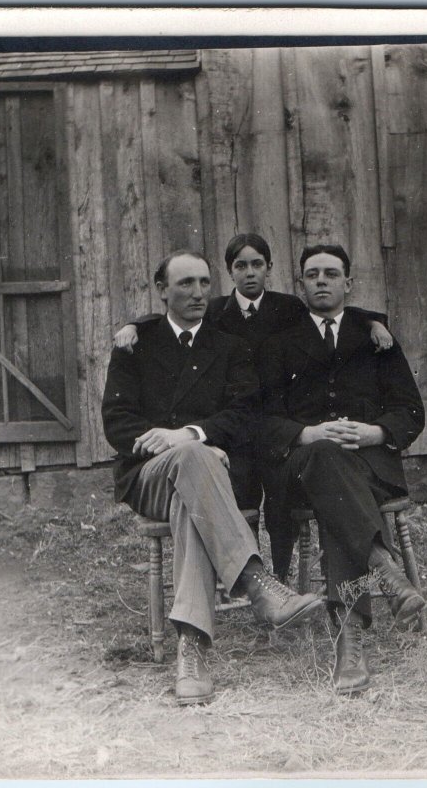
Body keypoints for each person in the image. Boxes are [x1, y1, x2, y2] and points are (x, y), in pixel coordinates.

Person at [102, 249, 323, 706]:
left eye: (204, 282)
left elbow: (244, 413)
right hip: (149, 475)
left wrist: (190, 436)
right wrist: (171, 444)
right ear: (162, 290)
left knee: (194, 472)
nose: (198, 292)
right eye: (185, 284)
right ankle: (256, 582)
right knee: (191, 458)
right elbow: (117, 421)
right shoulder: (135, 344)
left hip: (205, 481)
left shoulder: (230, 347)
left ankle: (192, 647)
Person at [112, 233, 393, 581]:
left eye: (257, 264)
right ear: (230, 272)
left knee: (280, 497)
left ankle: (279, 574)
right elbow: (169, 319)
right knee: (244, 494)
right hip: (238, 423)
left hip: (276, 417)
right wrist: (132, 324)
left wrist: (374, 321)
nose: (249, 273)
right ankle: (251, 572)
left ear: (269, 268)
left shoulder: (288, 307)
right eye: (240, 266)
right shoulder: (214, 309)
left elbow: (332, 308)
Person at [258, 244, 426, 694]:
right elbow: (262, 418)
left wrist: (373, 432)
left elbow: (410, 410)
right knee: (326, 462)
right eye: (312, 274)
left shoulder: (377, 340)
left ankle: (349, 642)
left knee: (335, 496)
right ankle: (384, 570)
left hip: (369, 463)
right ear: (300, 284)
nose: (321, 281)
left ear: (348, 283)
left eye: (331, 274)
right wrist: (307, 434)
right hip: (303, 462)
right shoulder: (279, 343)